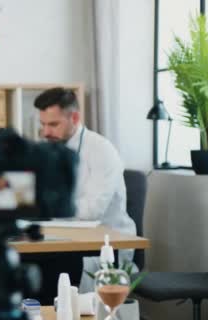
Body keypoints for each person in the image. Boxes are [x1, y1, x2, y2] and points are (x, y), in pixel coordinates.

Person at [34, 87, 136, 292]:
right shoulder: (48, 149)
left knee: (40, 269)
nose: (46, 132)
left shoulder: (101, 150)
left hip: (104, 247)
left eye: (53, 124)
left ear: (75, 117)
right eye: (43, 124)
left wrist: (48, 207)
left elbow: (92, 210)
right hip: (60, 239)